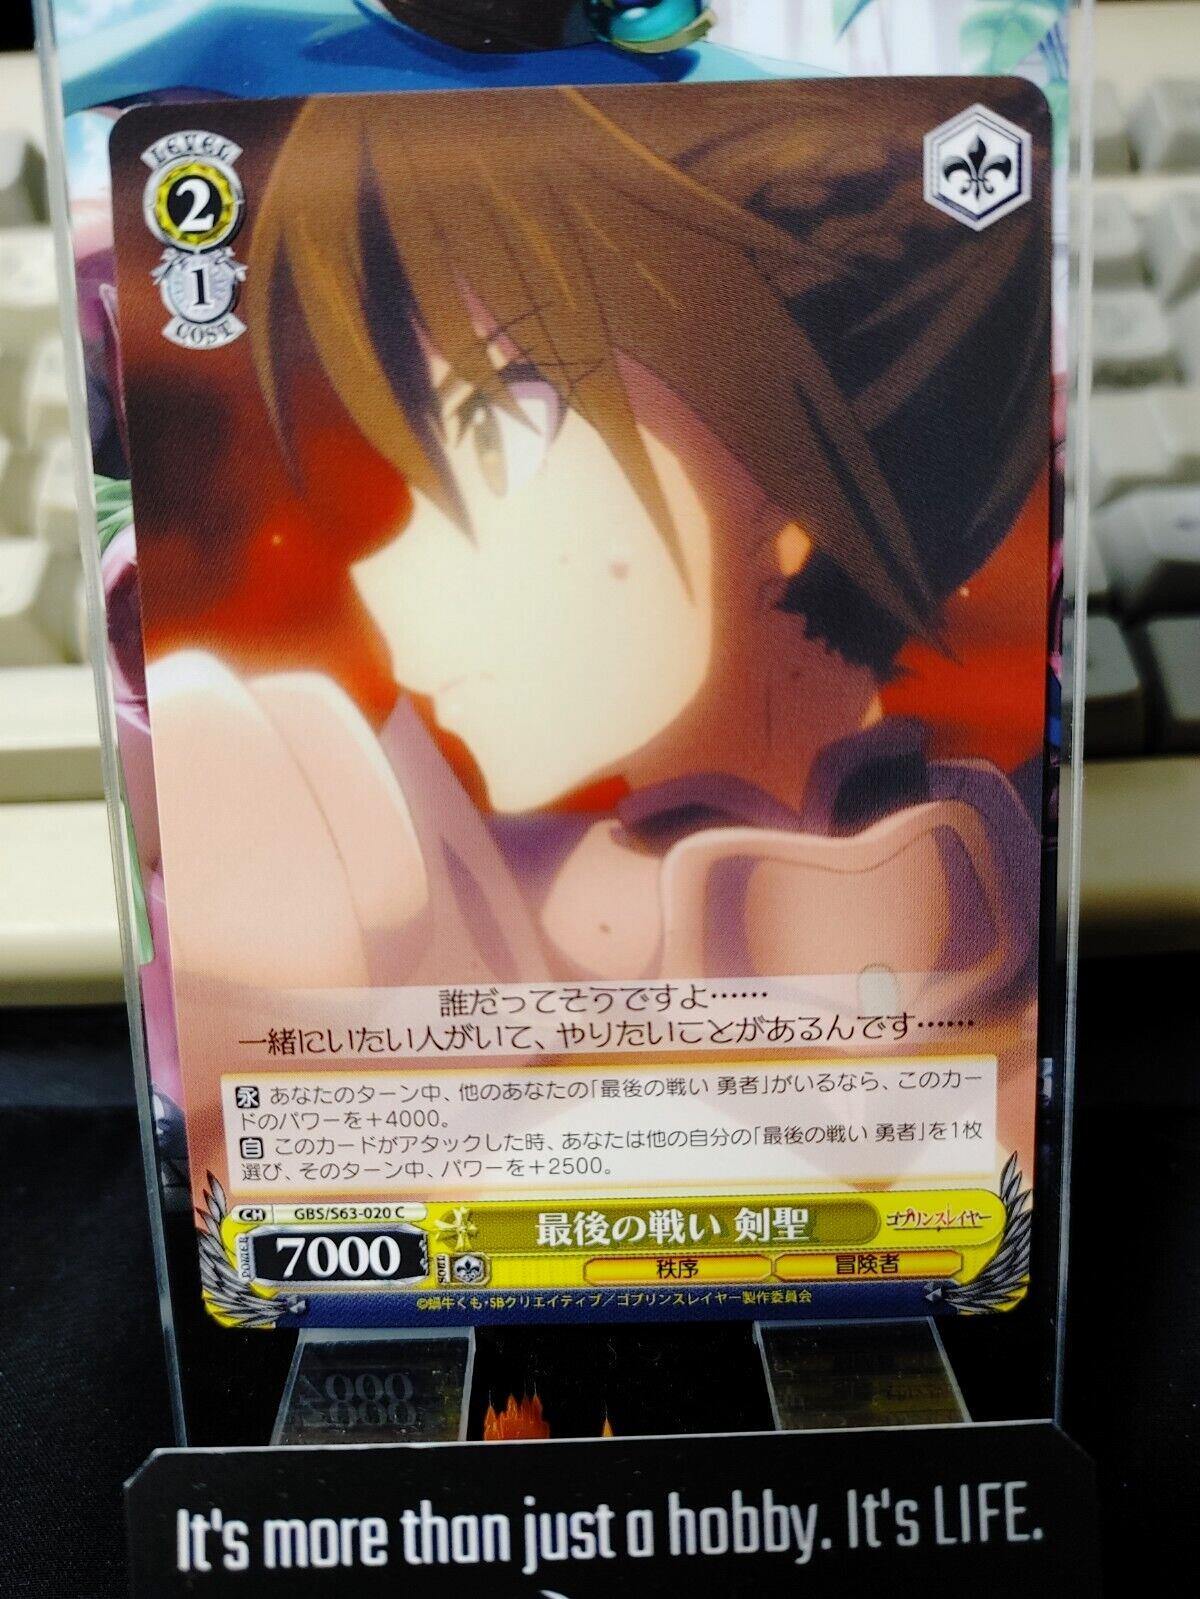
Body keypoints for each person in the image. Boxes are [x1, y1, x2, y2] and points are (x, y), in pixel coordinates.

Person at [144, 77, 1051, 1076]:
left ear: (804, 491)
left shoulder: (958, 888)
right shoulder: (452, 872)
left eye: (502, 436)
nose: (382, 573)